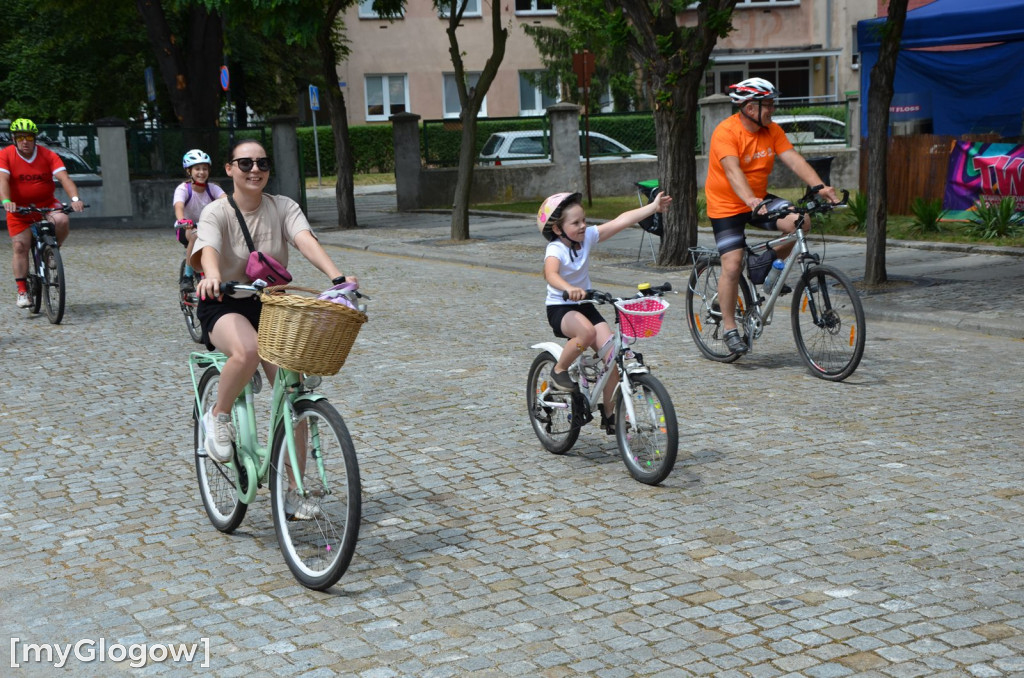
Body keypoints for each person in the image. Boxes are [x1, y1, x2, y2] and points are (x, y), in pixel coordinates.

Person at [191, 140, 356, 517]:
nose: (255, 169)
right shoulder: (215, 212)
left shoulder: (283, 206)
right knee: (246, 351)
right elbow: (209, 250)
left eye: (262, 162)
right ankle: (218, 415)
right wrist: (213, 277)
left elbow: (304, 241)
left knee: (291, 391)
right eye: (245, 162)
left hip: (271, 304)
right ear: (229, 168)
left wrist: (336, 276)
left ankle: (293, 490)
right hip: (225, 301)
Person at [704, 77, 838, 355]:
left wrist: (820, 187)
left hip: (758, 202)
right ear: (751, 108)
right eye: (769, 104)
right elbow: (732, 171)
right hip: (727, 206)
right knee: (732, 264)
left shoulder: (772, 131)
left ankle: (765, 264)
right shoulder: (725, 132)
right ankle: (730, 328)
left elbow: (794, 159)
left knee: (800, 221)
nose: (773, 109)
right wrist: (749, 198)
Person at [539, 190, 672, 433]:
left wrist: (652, 208)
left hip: (585, 304)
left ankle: (610, 415)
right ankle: (559, 370)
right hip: (561, 307)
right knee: (586, 333)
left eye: (584, 220)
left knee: (614, 355)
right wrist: (569, 288)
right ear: (558, 229)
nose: (583, 226)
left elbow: (621, 220)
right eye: (575, 223)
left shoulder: (587, 237)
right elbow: (551, 274)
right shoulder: (555, 249)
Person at [0, 118, 85, 308]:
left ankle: (53, 251)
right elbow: (2, 180)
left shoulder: (47, 155)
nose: (25, 141)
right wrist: (7, 201)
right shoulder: (5, 155)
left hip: (45, 205)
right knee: (20, 246)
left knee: (62, 219)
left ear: (34, 138)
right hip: (19, 209)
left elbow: (64, 178)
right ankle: (22, 290)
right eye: (20, 137)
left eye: (28, 137)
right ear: (14, 139)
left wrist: (75, 199)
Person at [174, 149, 226, 290]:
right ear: (189, 171)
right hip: (187, 230)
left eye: (205, 169)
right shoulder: (183, 189)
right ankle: (188, 275)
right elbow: (179, 206)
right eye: (197, 169)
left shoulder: (213, 188)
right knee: (197, 235)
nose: (201, 172)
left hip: (210, 228)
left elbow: (227, 202)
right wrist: (182, 220)